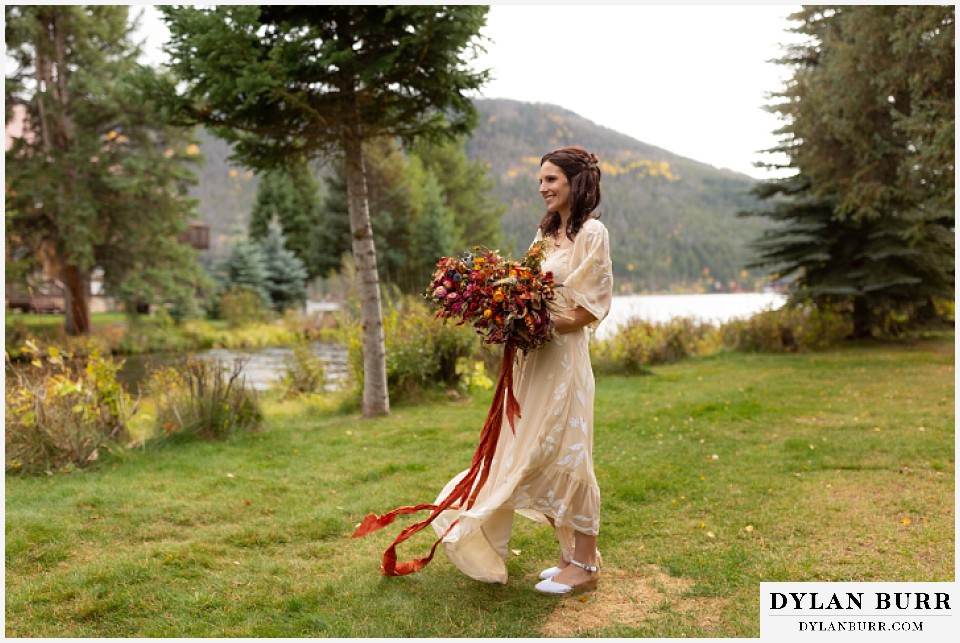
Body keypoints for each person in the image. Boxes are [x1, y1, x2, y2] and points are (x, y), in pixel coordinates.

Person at [431, 145, 614, 594]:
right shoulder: (544, 233)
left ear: (577, 181)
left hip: (564, 360)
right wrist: (503, 310)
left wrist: (537, 321)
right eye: (541, 180)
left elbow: (591, 310)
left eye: (551, 179)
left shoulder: (593, 233)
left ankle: (586, 566)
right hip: (531, 361)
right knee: (532, 450)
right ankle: (569, 556)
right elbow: (525, 288)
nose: (542, 188)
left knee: (569, 452)